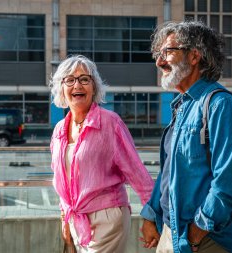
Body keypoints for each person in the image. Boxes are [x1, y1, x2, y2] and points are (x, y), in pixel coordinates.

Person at [140, 21, 232, 253]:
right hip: (174, 233)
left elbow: (228, 184)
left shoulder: (222, 106)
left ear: (194, 56)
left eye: (168, 52)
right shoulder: (182, 106)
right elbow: (170, 170)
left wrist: (197, 232)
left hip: (206, 239)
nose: (159, 62)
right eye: (158, 54)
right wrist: (152, 214)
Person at [49, 55, 154, 253]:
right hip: (76, 221)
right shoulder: (59, 129)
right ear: (61, 88)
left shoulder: (110, 123)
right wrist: (65, 218)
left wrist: (151, 217)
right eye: (69, 80)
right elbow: (63, 181)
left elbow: (138, 173)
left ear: (94, 87)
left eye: (84, 79)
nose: (77, 85)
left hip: (108, 218)